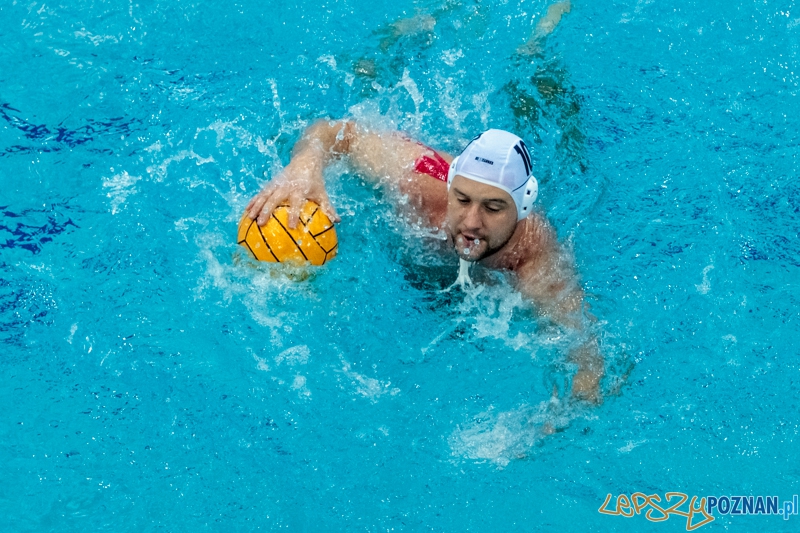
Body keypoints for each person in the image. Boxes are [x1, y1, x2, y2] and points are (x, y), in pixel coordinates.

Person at [245, 119, 604, 403]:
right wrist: (305, 164)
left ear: (522, 208)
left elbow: (584, 357)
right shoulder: (416, 179)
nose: (471, 222)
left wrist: (559, 411)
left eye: (494, 208)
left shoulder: (532, 256)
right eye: (462, 200)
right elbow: (333, 131)